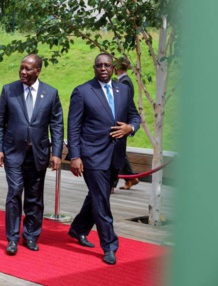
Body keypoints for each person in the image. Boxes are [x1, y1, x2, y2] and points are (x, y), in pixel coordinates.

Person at [67, 52, 141, 265]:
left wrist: (130, 127)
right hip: (92, 156)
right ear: (94, 68)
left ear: (112, 67)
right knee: (101, 200)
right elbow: (73, 127)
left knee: (97, 196)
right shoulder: (82, 92)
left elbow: (134, 116)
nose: (103, 68)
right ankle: (110, 245)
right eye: (99, 65)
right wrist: (75, 156)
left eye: (107, 65)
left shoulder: (124, 90)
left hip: (115, 156)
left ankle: (78, 228)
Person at [0, 54, 64, 255]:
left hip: (38, 154)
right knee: (14, 192)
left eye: (28, 69)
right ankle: (13, 238)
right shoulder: (9, 90)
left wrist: (56, 153)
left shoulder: (50, 93)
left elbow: (57, 125)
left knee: (34, 196)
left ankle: (31, 235)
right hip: (13, 152)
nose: (23, 71)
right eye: (21, 67)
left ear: (38, 71)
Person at [111, 57, 139, 192]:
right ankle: (129, 178)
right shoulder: (124, 81)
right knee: (119, 151)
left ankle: (113, 183)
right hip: (122, 121)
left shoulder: (125, 82)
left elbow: (123, 103)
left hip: (122, 122)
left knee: (117, 151)